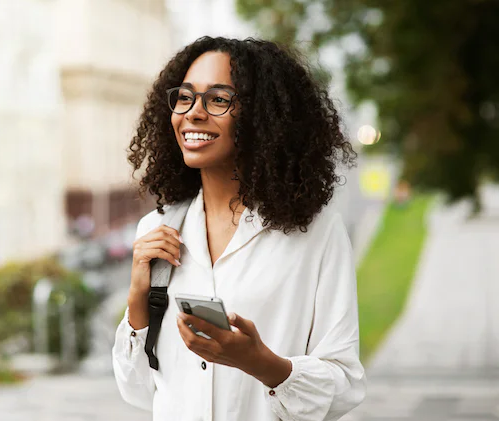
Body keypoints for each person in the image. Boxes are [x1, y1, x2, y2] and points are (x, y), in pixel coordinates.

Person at [112, 37, 366, 421]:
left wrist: (260, 362)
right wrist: (137, 303)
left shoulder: (318, 234)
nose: (193, 113)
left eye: (218, 99)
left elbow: (344, 385)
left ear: (262, 117)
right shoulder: (157, 229)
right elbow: (138, 391)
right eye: (185, 97)